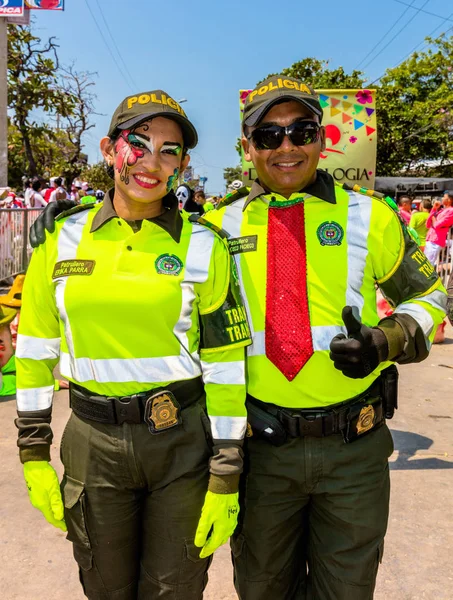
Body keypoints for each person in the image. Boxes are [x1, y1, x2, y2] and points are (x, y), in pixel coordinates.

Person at [205, 75, 446, 599]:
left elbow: (430, 298)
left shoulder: (369, 215)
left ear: (322, 137)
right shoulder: (215, 227)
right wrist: (76, 219)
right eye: (268, 136)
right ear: (248, 148)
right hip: (262, 453)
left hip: (353, 454)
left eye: (300, 131)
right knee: (262, 589)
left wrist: (387, 341)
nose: (286, 147)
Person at [17, 89, 250, 599]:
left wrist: (227, 468)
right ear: (109, 148)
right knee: (104, 587)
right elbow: (34, 350)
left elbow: (227, 366)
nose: (152, 162)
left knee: (175, 589)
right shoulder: (60, 239)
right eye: (138, 144)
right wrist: (33, 450)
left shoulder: (205, 245)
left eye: (170, 151)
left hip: (181, 446)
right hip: (92, 446)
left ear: (183, 165)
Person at [424, 191, 453, 265]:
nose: (442, 198)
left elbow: (436, 225)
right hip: (430, 238)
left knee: (428, 264)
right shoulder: (441, 210)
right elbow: (427, 224)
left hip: (436, 240)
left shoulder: (451, 211)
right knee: (425, 263)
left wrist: (433, 216)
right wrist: (433, 209)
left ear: (449, 200)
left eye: (444, 197)